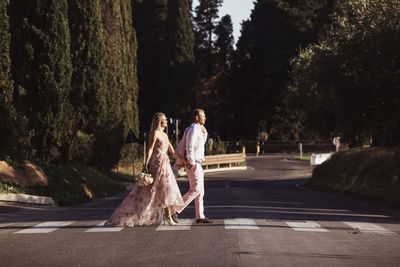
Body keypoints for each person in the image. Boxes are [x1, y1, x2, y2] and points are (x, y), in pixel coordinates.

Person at [105, 112, 187, 227]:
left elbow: (173, 151)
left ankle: (167, 215)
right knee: (149, 191)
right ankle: (136, 213)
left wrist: (183, 160)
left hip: (165, 164)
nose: (167, 121)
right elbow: (150, 149)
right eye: (165, 119)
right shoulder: (155, 133)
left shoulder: (165, 135)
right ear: (159, 121)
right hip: (156, 164)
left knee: (167, 189)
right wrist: (146, 163)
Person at [173, 109, 213, 224]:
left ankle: (200, 216)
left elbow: (200, 144)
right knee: (195, 189)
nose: (205, 117)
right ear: (196, 117)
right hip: (194, 163)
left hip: (197, 162)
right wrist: (191, 162)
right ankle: (175, 210)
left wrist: (205, 133)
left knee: (200, 191)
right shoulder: (193, 129)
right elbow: (189, 146)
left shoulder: (199, 130)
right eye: (203, 115)